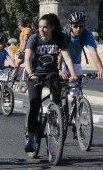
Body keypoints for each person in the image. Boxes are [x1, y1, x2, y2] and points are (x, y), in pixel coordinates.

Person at [23, 13, 77, 153]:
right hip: (35, 74)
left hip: (51, 74)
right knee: (35, 103)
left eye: (45, 27)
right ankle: (30, 137)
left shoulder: (59, 38)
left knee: (57, 101)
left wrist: (73, 74)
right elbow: (27, 59)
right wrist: (30, 73)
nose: (41, 30)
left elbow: (67, 58)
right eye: (40, 27)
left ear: (52, 27)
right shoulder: (33, 39)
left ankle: (54, 124)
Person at [60, 12, 103, 87]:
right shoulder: (64, 33)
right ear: (71, 26)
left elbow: (93, 53)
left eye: (81, 26)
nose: (78, 29)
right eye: (75, 26)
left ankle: (77, 98)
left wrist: (100, 69)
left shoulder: (86, 34)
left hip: (76, 63)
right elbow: (58, 53)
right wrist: (58, 70)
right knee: (59, 87)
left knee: (76, 90)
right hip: (62, 62)